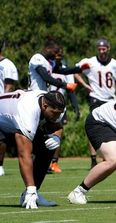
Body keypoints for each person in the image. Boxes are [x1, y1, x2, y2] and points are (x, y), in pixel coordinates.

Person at [0, 90, 66, 209]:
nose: (57, 116)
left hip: (10, 122)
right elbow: (24, 155)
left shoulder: (53, 104)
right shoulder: (28, 112)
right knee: (25, 150)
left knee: (48, 146)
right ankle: (30, 192)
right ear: (44, 106)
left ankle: (33, 192)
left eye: (59, 113)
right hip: (6, 122)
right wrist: (31, 188)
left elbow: (57, 126)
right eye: (54, 113)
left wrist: (57, 136)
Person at [74, 37, 116, 169]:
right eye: (99, 49)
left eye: (104, 48)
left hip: (110, 100)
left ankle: (108, 156)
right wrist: (85, 85)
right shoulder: (90, 62)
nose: (102, 51)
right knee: (94, 127)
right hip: (96, 98)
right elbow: (76, 71)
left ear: (108, 48)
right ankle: (93, 159)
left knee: (112, 128)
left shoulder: (114, 64)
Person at [47, 48, 80, 173]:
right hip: (44, 104)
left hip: (59, 106)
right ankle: (39, 160)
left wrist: (75, 106)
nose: (58, 57)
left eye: (60, 55)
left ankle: (54, 162)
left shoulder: (66, 70)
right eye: (56, 55)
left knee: (57, 133)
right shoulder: (46, 66)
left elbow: (70, 89)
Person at [0, 39, 19, 176]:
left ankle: (0, 166)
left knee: (1, 138)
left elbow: (9, 86)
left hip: (1, 104)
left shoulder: (7, 64)